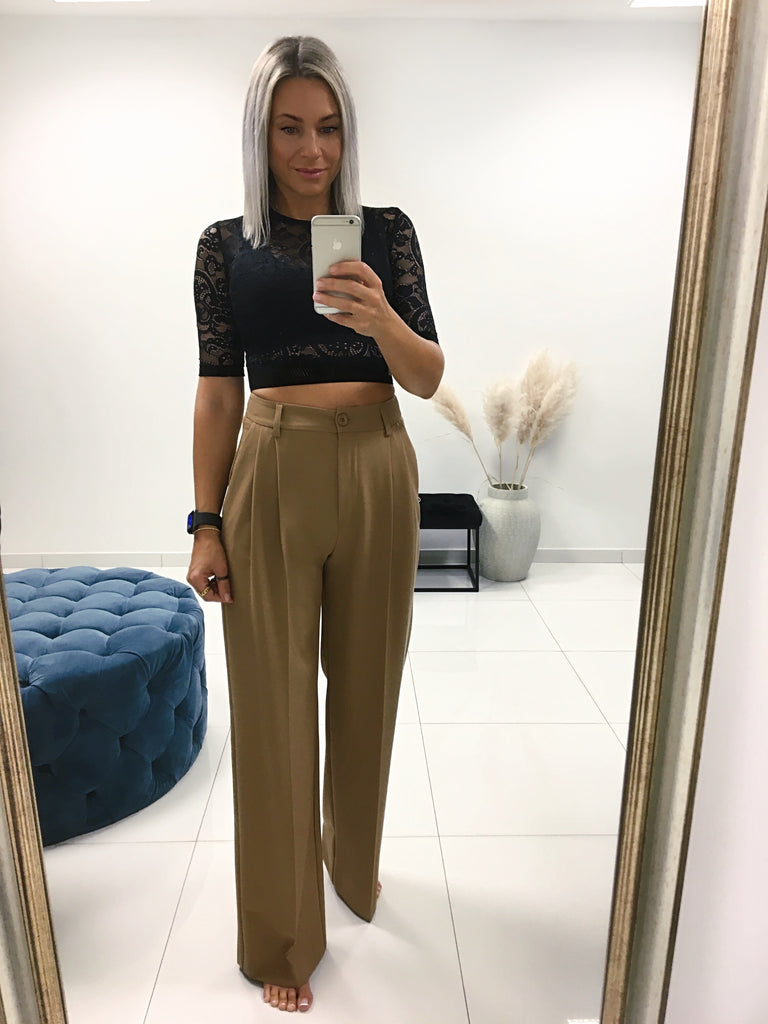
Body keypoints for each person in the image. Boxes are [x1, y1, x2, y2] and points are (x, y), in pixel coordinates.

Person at [186, 35, 443, 1014]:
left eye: (329, 128)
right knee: (272, 708)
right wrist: (206, 522)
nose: (312, 150)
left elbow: (428, 377)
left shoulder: (387, 232)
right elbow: (218, 390)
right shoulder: (224, 246)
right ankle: (283, 937)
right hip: (271, 468)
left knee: (368, 687)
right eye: (290, 128)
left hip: (378, 459)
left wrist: (382, 321)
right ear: (262, 134)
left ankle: (351, 866)